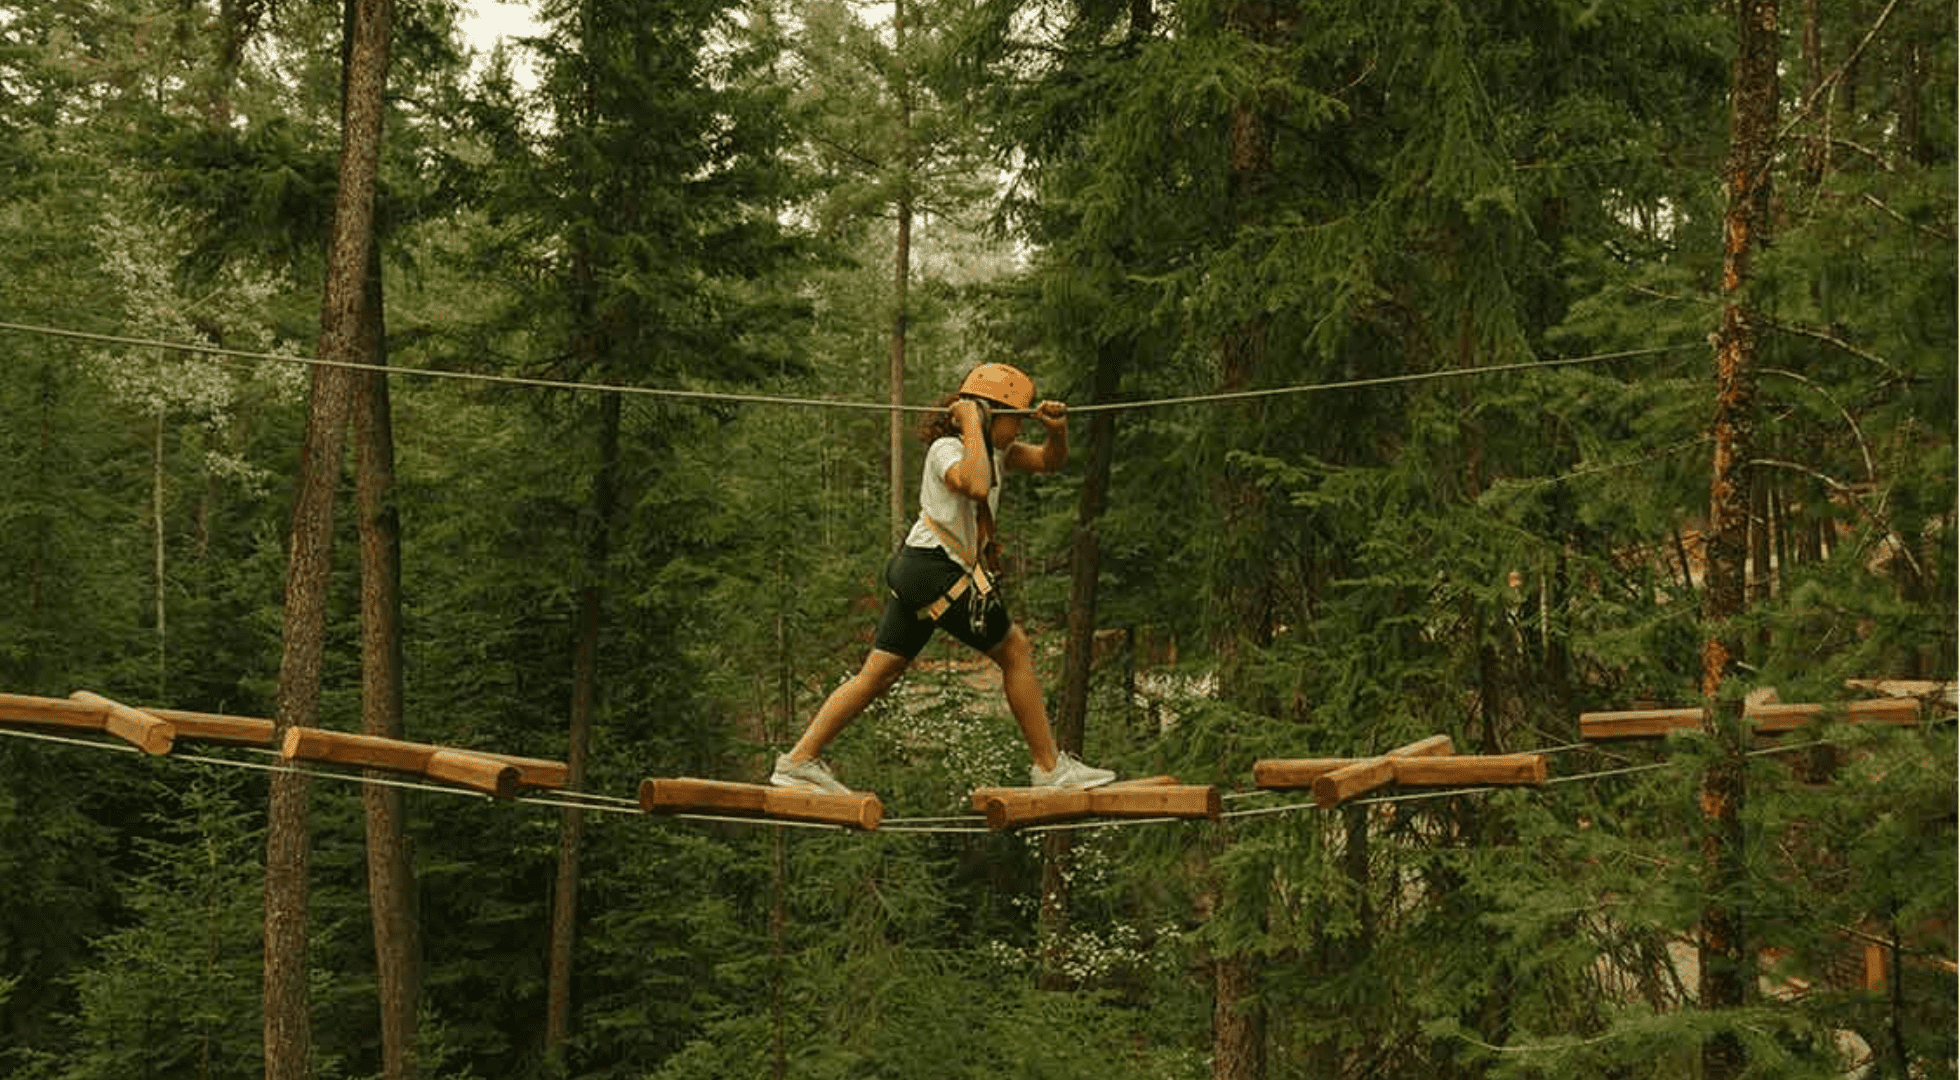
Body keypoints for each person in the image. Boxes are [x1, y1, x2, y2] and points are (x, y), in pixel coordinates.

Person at [770, 362, 1117, 794]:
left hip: (925, 571)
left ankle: (797, 761)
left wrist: (1056, 431)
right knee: (1015, 650)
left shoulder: (994, 450)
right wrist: (971, 421)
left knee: (877, 674)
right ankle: (1050, 768)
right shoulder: (948, 450)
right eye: (1016, 419)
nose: (1018, 430)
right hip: (934, 568)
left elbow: (1048, 461)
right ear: (990, 414)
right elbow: (973, 485)